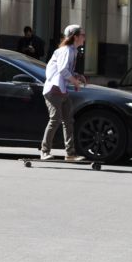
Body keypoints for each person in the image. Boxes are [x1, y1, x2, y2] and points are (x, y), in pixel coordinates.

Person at [40, 24, 88, 162]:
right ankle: (44, 151)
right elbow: (62, 70)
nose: (84, 38)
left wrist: (77, 76)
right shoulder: (66, 50)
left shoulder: (74, 51)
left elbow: (67, 71)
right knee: (55, 120)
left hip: (62, 90)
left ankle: (70, 154)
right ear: (76, 37)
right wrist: (74, 81)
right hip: (53, 90)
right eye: (83, 35)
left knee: (68, 121)